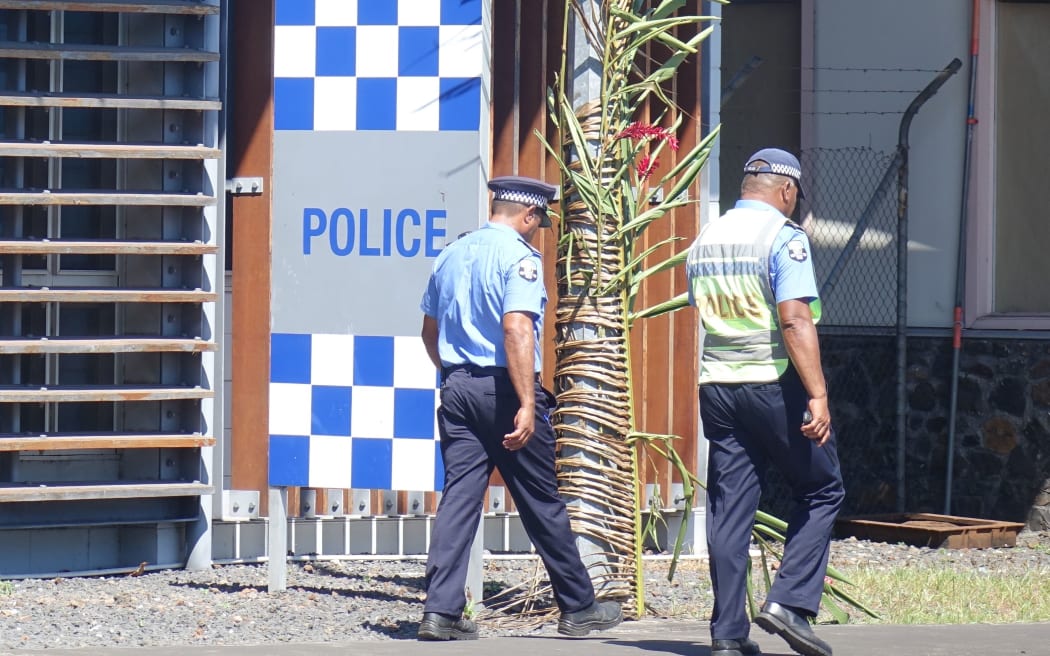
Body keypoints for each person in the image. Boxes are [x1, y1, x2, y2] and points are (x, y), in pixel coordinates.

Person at [417, 175, 623, 641]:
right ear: (529, 215)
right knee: (541, 501)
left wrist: (453, 376)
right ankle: (578, 606)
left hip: (457, 387)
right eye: (539, 221)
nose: (538, 230)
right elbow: (516, 329)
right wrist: (527, 401)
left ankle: (440, 612)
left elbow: (429, 332)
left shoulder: (451, 253)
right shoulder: (520, 259)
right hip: (505, 392)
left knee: (459, 501)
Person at [684, 149, 845, 656]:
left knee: (730, 511)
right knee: (822, 489)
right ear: (786, 190)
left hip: (717, 387)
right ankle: (789, 603)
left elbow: (706, 311)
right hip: (774, 384)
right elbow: (794, 318)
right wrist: (817, 394)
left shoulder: (706, 237)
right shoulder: (783, 237)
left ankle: (727, 635)